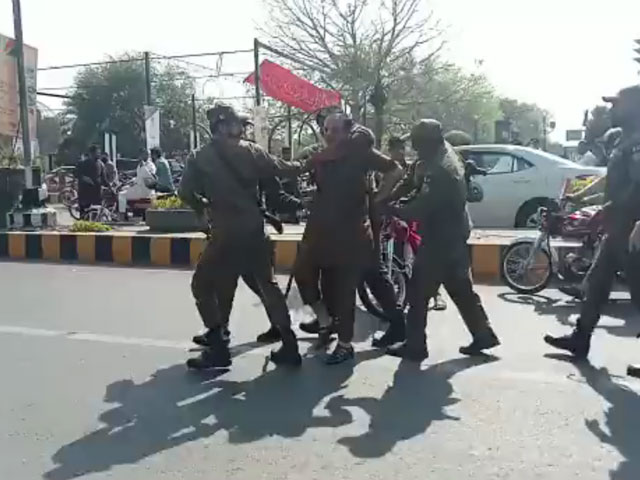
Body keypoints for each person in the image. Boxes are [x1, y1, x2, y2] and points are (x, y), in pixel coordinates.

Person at [179, 103, 306, 370]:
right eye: (238, 123)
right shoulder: (253, 151)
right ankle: (289, 344)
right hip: (255, 229)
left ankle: (218, 346)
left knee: (202, 286)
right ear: (224, 125)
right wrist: (311, 161)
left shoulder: (199, 157)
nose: (242, 128)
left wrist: (203, 207)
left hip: (226, 232)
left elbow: (185, 192)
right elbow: (284, 169)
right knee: (267, 285)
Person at [385, 119, 501, 361]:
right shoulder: (438, 152)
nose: (413, 148)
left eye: (416, 142)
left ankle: (416, 345)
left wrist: (392, 210)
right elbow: (411, 178)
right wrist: (391, 196)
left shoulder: (441, 168)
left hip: (441, 237)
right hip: (454, 232)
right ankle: (483, 333)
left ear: (425, 142)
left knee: (418, 291)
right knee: (460, 287)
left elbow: (420, 208)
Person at [294, 112, 404, 364]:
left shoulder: (358, 150)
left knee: (350, 284)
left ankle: (346, 342)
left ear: (347, 131)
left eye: (334, 130)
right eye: (326, 130)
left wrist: (380, 198)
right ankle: (326, 321)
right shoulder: (321, 157)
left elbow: (394, 170)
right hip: (323, 229)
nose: (328, 134)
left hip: (353, 231)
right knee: (309, 274)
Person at [544, 85, 640, 361]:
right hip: (619, 225)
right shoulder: (626, 139)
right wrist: (584, 196)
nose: (612, 110)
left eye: (616, 105)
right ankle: (580, 338)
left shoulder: (637, 141)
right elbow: (613, 181)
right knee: (597, 282)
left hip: (632, 228)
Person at [75, 145, 106, 215]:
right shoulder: (82, 163)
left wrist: (110, 187)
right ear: (91, 153)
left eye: (99, 153)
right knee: (84, 214)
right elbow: (77, 174)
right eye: (97, 153)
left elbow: (104, 179)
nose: (98, 154)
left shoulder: (101, 164)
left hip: (96, 193)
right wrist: (85, 179)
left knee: (96, 213)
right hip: (85, 193)